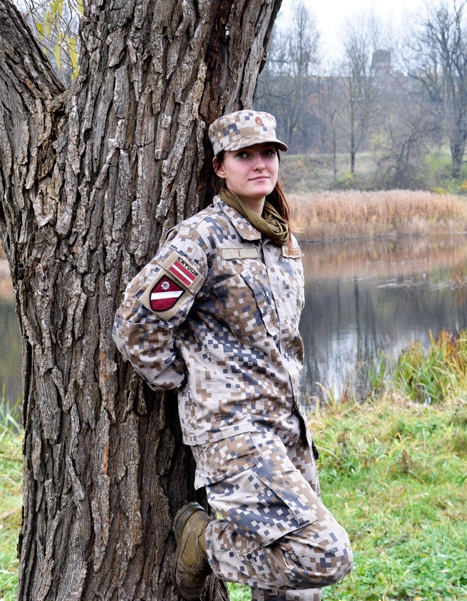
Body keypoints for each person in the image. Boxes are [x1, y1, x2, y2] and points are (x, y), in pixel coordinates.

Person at [112, 110, 352, 601]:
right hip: (234, 437)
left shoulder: (281, 241)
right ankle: (204, 543)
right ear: (220, 166)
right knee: (325, 555)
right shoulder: (201, 238)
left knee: (295, 592)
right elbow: (136, 326)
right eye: (244, 155)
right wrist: (183, 381)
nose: (260, 164)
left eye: (268, 153)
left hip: (287, 432)